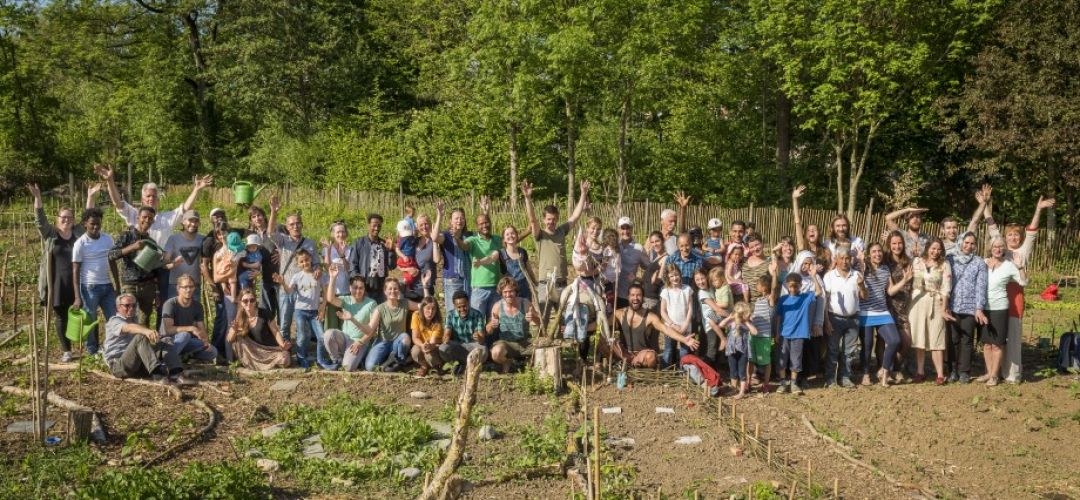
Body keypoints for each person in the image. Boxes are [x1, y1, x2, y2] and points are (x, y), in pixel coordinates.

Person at [95, 164, 213, 328]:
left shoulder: (166, 218)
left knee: (161, 305)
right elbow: (118, 203)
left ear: (158, 199)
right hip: (138, 271)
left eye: (154, 196)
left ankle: (160, 338)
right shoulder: (136, 215)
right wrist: (110, 180)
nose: (151, 199)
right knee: (132, 310)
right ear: (143, 199)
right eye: (148, 196)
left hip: (162, 269)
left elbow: (185, 208)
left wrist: (197, 189)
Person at [984, 191, 1053, 383]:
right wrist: (985, 204)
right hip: (995, 300)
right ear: (1004, 238)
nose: (1013, 238)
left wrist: (1038, 209)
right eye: (1010, 235)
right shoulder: (1000, 251)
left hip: (1014, 300)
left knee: (1013, 339)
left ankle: (1012, 374)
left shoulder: (1022, 252)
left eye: (1016, 235)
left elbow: (1032, 232)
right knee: (996, 338)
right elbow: (991, 228)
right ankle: (993, 372)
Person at [30, 182, 99, 362]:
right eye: (63, 217)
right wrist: (38, 198)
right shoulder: (50, 234)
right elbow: (39, 220)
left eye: (70, 217)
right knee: (61, 316)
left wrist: (90, 196)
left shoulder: (78, 232)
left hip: (79, 281)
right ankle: (66, 350)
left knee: (87, 313)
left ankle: (91, 347)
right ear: (57, 218)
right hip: (57, 283)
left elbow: (88, 216)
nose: (67, 220)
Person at [522, 180, 590, 331]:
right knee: (543, 322)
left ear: (557, 218)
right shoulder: (540, 234)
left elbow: (575, 217)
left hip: (561, 285)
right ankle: (541, 351)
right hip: (545, 285)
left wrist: (584, 194)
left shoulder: (561, 231)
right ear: (544, 219)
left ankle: (558, 351)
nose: (551, 222)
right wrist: (528, 198)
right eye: (548, 219)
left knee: (564, 322)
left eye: (554, 219)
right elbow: (532, 220)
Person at [266, 195, 321, 347]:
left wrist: (317, 269)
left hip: (304, 290)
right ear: (287, 227)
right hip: (286, 288)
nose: (295, 226)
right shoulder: (283, 240)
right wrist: (273, 212)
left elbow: (316, 262)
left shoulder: (310, 243)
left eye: (298, 223)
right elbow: (270, 233)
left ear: (302, 225)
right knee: (285, 322)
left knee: (303, 324)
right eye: (292, 224)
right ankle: (285, 349)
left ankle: (302, 350)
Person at [605, 284, 700, 368]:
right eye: (633, 295)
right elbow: (603, 324)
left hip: (643, 354)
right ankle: (624, 363)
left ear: (643, 298)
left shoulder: (650, 317)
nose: (635, 298)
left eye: (639, 295)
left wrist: (684, 340)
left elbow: (666, 329)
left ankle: (637, 366)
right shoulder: (619, 313)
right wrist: (590, 326)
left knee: (651, 358)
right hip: (624, 353)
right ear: (628, 297)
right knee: (604, 343)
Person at [103, 293, 184, 383]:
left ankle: (175, 373)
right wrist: (146, 331)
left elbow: (140, 343)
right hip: (119, 366)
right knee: (140, 337)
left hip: (137, 365)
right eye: (127, 306)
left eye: (134, 305)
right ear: (118, 307)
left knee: (166, 340)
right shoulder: (114, 321)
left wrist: (155, 338)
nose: (131, 308)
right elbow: (128, 328)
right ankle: (157, 374)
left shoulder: (134, 320)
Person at [981, 238, 1028, 385]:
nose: (998, 249)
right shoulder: (983, 263)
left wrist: (1020, 267)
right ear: (990, 248)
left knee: (997, 344)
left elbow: (1024, 282)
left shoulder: (1009, 266)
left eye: (1001, 246)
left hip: (1000, 308)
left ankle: (995, 376)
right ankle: (989, 373)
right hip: (983, 308)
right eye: (995, 246)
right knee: (987, 344)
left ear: (1004, 249)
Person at [944, 233, 988, 384]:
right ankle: (952, 370)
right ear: (960, 242)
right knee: (952, 340)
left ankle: (964, 371)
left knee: (967, 340)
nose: (969, 246)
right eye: (966, 242)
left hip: (970, 308)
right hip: (952, 306)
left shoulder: (979, 262)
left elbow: (981, 287)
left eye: (972, 243)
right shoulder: (950, 259)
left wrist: (979, 308)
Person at [272, 249, 326, 369]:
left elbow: (325, 294)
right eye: (301, 261)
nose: (305, 263)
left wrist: (322, 309)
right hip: (300, 310)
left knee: (321, 337)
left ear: (311, 259)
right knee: (302, 336)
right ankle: (301, 358)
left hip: (314, 312)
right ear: (298, 264)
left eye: (306, 260)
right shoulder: (297, 276)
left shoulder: (318, 275)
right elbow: (289, 291)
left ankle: (320, 359)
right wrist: (282, 283)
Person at [859, 243, 903, 387]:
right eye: (874, 251)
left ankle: (883, 371)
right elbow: (860, 290)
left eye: (879, 251)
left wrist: (905, 280)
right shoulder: (862, 268)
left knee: (895, 340)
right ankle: (865, 374)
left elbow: (890, 291)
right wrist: (860, 266)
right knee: (867, 345)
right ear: (868, 254)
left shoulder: (885, 269)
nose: (877, 254)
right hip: (865, 312)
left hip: (882, 312)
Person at [71, 208, 114, 355]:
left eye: (98, 224)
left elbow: (112, 262)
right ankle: (92, 350)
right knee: (90, 320)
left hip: (107, 286)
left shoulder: (107, 239)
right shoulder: (80, 244)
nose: (95, 227)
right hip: (89, 287)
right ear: (85, 224)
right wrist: (77, 296)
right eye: (92, 224)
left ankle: (110, 347)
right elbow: (75, 271)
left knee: (113, 318)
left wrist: (117, 286)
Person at [822, 250, 867, 388]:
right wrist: (826, 321)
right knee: (833, 350)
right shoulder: (829, 276)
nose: (844, 261)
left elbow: (865, 296)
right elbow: (825, 300)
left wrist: (861, 285)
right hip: (834, 318)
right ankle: (830, 379)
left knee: (849, 351)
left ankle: (845, 377)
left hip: (853, 319)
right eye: (841, 258)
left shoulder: (857, 275)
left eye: (847, 258)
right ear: (836, 259)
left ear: (851, 259)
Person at [908, 239, 952, 385]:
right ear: (927, 248)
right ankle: (920, 372)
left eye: (939, 249)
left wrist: (944, 308)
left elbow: (946, 288)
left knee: (937, 337)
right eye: (933, 248)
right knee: (919, 337)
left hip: (936, 302)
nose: (936, 252)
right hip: (918, 302)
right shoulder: (917, 262)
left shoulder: (945, 265)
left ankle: (940, 374)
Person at [109, 206, 159, 327]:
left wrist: (157, 292)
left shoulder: (152, 242)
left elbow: (154, 269)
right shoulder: (126, 236)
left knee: (144, 321)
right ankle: (126, 346)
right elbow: (111, 255)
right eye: (144, 217)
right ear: (138, 218)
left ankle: (142, 345)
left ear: (153, 221)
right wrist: (132, 247)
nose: (147, 220)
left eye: (150, 218)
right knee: (127, 319)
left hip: (148, 286)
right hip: (130, 285)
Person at [321, 264, 378, 372]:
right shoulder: (346, 300)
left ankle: (353, 359)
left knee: (348, 368)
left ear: (364, 289)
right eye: (355, 288)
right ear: (350, 288)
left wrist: (360, 342)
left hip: (359, 342)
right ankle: (337, 360)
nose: (358, 291)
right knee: (329, 334)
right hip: (344, 338)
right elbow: (330, 299)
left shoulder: (371, 303)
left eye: (361, 288)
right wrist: (333, 278)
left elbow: (372, 331)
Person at [777, 273, 823, 395]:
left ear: (800, 285)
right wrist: (777, 333)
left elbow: (819, 292)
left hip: (799, 334)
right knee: (782, 359)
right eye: (791, 286)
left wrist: (814, 276)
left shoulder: (805, 297)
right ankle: (782, 383)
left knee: (796, 360)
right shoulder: (783, 299)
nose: (793, 289)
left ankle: (793, 383)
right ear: (787, 285)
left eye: (796, 286)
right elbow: (778, 317)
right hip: (784, 334)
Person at [159, 274, 218, 365]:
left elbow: (201, 328)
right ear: (178, 288)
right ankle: (165, 361)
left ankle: (183, 357)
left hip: (187, 342)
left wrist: (206, 342)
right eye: (185, 287)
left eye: (191, 287)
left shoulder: (197, 306)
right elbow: (168, 330)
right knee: (185, 335)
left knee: (213, 351)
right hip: (169, 341)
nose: (188, 290)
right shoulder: (170, 304)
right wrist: (191, 328)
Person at [487, 277, 541, 373]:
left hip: (525, 342)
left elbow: (540, 324)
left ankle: (528, 363)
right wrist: (492, 324)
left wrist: (533, 317)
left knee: (542, 349)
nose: (508, 295)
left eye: (511, 291)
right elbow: (488, 330)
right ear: (501, 293)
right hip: (507, 343)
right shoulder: (497, 306)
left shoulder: (525, 303)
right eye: (505, 292)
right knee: (495, 352)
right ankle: (507, 362)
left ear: (515, 291)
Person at [228, 288, 291, 371]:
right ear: (241, 302)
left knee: (284, 360)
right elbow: (229, 339)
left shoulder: (264, 313)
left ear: (255, 301)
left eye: (252, 300)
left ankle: (260, 364)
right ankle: (251, 363)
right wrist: (234, 330)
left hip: (269, 350)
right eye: (245, 301)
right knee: (238, 338)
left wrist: (282, 345)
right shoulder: (239, 317)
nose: (249, 303)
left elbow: (275, 332)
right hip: (254, 352)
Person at [364, 279, 419, 372]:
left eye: (395, 289)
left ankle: (397, 360)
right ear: (385, 291)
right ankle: (389, 363)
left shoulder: (405, 303)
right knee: (370, 367)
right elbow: (370, 328)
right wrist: (352, 320)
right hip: (383, 342)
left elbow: (423, 306)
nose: (393, 291)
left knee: (405, 337)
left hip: (398, 342)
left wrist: (425, 287)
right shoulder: (380, 308)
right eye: (390, 289)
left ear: (399, 290)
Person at [457, 211, 503, 318]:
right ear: (477, 226)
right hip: (479, 289)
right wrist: (456, 238)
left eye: (486, 222)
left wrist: (529, 230)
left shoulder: (497, 239)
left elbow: (512, 240)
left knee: (494, 321)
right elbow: (463, 246)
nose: (484, 225)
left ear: (490, 223)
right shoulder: (473, 240)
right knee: (477, 321)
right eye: (481, 224)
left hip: (496, 288)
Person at [431, 203, 472, 315]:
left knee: (468, 312)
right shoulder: (446, 236)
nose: (459, 221)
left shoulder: (469, 235)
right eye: (456, 218)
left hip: (468, 280)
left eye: (462, 218)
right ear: (451, 221)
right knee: (452, 313)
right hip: (452, 280)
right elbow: (434, 237)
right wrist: (439, 215)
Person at [884, 231, 914, 382]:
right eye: (894, 243)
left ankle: (894, 368)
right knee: (891, 341)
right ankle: (887, 371)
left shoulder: (908, 261)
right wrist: (905, 280)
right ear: (889, 244)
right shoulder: (886, 262)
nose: (897, 246)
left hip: (904, 307)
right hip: (889, 307)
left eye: (899, 243)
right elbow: (890, 292)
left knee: (907, 342)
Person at [347, 213, 395, 304]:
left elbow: (392, 266)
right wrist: (358, 286)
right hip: (365, 290)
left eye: (379, 226)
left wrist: (391, 251)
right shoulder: (359, 243)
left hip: (381, 290)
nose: (377, 228)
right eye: (374, 225)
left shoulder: (384, 243)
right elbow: (352, 265)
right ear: (368, 225)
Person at [440, 291, 490, 370]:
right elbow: (447, 333)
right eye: (459, 307)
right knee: (443, 348)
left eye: (464, 306)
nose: (462, 309)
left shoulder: (478, 314)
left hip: (472, 344)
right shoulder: (450, 315)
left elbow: (481, 340)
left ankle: (462, 365)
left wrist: (478, 337)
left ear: (468, 303)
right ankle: (463, 364)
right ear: (454, 306)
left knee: (483, 350)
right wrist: (446, 337)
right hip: (457, 345)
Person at [162, 210, 205, 301]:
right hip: (176, 285)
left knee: (193, 314)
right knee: (175, 314)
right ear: (183, 222)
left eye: (196, 221)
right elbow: (164, 264)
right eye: (190, 221)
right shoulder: (173, 239)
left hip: (194, 285)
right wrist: (173, 264)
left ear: (199, 223)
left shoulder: (202, 239)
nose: (193, 224)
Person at [718, 302, 758, 399]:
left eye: (741, 314)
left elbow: (755, 332)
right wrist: (730, 317)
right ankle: (733, 388)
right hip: (731, 349)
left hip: (742, 351)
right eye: (738, 313)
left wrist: (746, 322)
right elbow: (721, 325)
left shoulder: (746, 323)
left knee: (742, 371)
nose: (739, 316)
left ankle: (742, 392)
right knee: (733, 371)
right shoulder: (732, 322)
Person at [791, 186, 832, 277]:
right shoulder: (803, 247)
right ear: (805, 235)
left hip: (819, 286)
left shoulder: (825, 251)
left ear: (819, 234)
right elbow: (797, 222)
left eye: (814, 230)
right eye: (809, 230)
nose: (811, 231)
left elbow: (829, 271)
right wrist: (794, 199)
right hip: (805, 286)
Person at [659, 265, 694, 368]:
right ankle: (666, 371)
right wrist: (672, 324)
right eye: (671, 276)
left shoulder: (687, 289)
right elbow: (663, 311)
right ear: (668, 278)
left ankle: (683, 372)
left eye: (676, 275)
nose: (675, 278)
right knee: (669, 349)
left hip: (685, 327)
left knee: (684, 351)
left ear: (680, 274)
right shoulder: (665, 291)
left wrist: (685, 325)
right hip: (671, 328)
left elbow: (690, 308)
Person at [247, 204, 278, 314]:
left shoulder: (275, 229)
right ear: (251, 221)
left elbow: (289, 243)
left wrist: (281, 253)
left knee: (282, 313)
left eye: (259, 215)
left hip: (279, 277)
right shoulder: (252, 237)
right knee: (266, 313)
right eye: (253, 217)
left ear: (264, 216)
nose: (257, 219)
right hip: (265, 279)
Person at [321, 221, 353, 332]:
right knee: (332, 325)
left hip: (346, 292)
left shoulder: (349, 249)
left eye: (343, 231)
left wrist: (343, 255)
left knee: (345, 325)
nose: (341, 234)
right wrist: (329, 251)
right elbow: (326, 267)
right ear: (333, 234)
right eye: (338, 232)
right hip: (332, 292)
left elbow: (349, 269)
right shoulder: (327, 248)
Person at [749, 273, 778, 393]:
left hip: (764, 336)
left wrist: (774, 274)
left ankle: (766, 384)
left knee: (766, 361)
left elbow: (774, 288)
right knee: (751, 359)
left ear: (764, 287)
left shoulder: (769, 299)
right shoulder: (758, 300)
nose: (756, 286)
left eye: (758, 284)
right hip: (754, 335)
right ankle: (749, 382)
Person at [491, 225, 536, 301]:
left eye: (512, 233)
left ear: (517, 235)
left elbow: (529, 271)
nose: (510, 236)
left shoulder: (523, 252)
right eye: (507, 234)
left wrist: (535, 284)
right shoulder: (501, 254)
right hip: (509, 293)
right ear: (504, 239)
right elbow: (490, 259)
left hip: (524, 290)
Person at [614, 217, 648, 309]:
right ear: (618, 229)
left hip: (629, 295)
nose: (625, 231)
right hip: (613, 293)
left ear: (632, 229)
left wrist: (638, 280)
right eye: (622, 228)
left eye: (628, 228)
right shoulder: (614, 246)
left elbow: (648, 268)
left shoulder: (639, 248)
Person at [693, 268, 723, 366]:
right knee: (712, 348)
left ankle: (715, 372)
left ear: (707, 277)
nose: (700, 282)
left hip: (717, 321)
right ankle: (708, 373)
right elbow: (717, 309)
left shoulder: (711, 288)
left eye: (702, 278)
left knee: (717, 347)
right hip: (710, 325)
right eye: (697, 280)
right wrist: (732, 315)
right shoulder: (702, 293)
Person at [411, 296, 445, 376]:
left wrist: (428, 346)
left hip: (434, 345)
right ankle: (424, 366)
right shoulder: (416, 315)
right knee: (415, 351)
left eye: (433, 309)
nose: (430, 312)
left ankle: (437, 366)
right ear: (422, 308)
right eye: (428, 308)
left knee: (429, 356)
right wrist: (422, 345)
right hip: (422, 343)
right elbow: (415, 337)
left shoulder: (437, 323)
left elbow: (433, 341)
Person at [642, 231, 668, 314]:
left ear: (663, 241)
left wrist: (655, 279)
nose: (655, 244)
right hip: (646, 297)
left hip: (652, 299)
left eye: (657, 241)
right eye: (652, 242)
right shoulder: (655, 258)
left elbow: (660, 279)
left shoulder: (666, 258)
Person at [395, 218, 421, 289]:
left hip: (411, 259)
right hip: (405, 259)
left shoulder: (411, 237)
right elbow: (397, 249)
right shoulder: (400, 239)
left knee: (412, 272)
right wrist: (403, 256)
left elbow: (414, 243)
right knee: (410, 273)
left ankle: (407, 288)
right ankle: (403, 283)